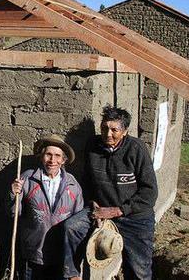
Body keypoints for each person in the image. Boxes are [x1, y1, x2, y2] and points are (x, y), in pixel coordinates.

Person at [63, 106, 158, 280]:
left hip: (135, 217)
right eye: (104, 128)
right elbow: (87, 180)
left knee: (139, 270)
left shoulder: (136, 149)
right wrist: (92, 200)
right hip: (101, 211)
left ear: (125, 131)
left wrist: (117, 210)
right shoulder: (93, 145)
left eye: (114, 130)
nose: (108, 134)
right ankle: (72, 275)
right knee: (72, 228)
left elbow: (150, 192)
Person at [9, 134, 84, 280]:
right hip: (33, 253)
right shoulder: (28, 179)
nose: (52, 160)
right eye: (48, 155)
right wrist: (13, 194)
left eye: (57, 156)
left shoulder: (73, 185)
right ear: (41, 156)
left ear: (63, 160)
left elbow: (78, 224)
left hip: (61, 256)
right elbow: (14, 214)